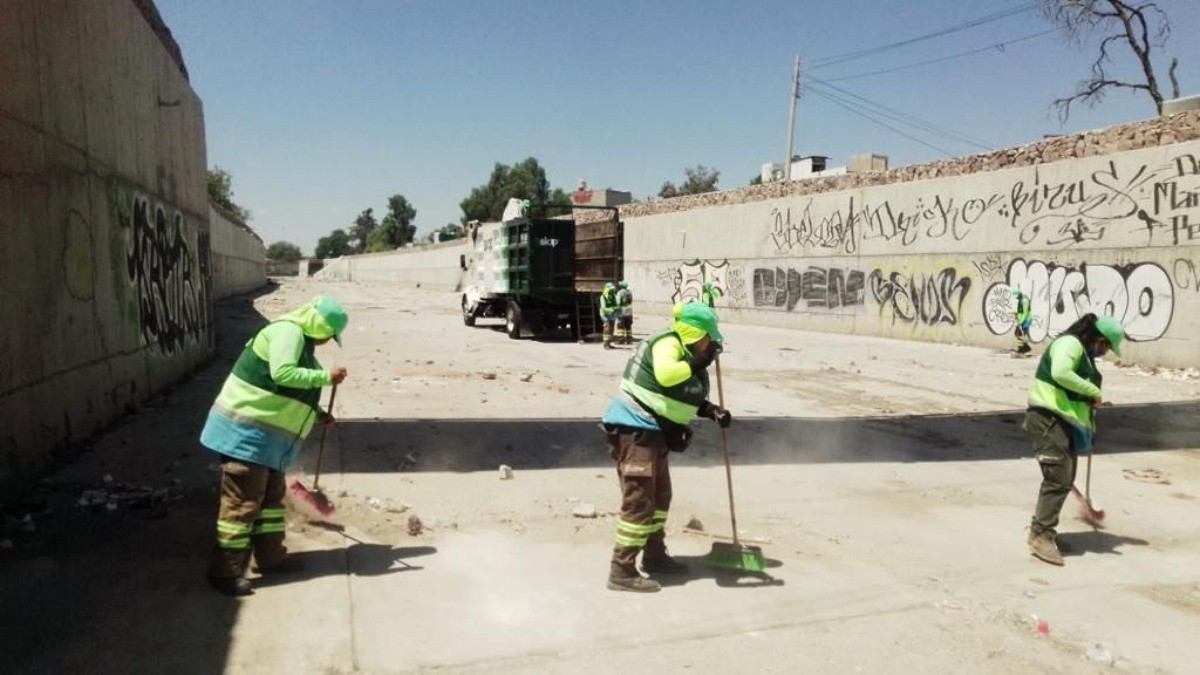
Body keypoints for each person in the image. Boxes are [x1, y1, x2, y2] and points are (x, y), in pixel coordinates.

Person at [200, 295, 349, 596]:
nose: (326, 342)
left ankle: (271, 558)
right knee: (242, 505)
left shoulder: (300, 341)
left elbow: (281, 390)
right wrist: (325, 377)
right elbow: (284, 373)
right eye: (328, 335)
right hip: (245, 436)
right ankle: (225, 572)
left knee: (269, 502)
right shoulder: (288, 332)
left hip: (265, 444)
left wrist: (317, 414)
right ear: (318, 325)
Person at [600, 302, 732, 592]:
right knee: (639, 501)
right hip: (634, 431)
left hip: (653, 433)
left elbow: (682, 394)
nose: (711, 343)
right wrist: (699, 362)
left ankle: (655, 555)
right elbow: (666, 376)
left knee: (660, 498)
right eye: (708, 337)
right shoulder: (667, 345)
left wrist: (711, 411)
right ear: (694, 333)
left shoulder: (690, 357)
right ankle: (621, 569)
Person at [1024, 313, 1124, 566]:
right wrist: (1093, 391)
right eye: (1106, 346)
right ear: (1099, 339)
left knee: (1065, 479)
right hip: (1048, 419)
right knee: (1057, 479)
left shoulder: (1085, 356)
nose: (1105, 352)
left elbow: (1074, 393)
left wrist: (1090, 421)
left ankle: (1045, 531)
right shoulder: (1070, 344)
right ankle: (1040, 536)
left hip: (1063, 421)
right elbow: (1060, 372)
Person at [1012, 289, 1033, 356]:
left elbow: (1025, 313)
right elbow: (1020, 311)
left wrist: (1021, 322)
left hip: (1026, 320)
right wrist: (1016, 315)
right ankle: (1022, 349)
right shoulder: (1020, 300)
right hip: (1021, 320)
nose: (1016, 298)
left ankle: (1025, 349)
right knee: (1018, 334)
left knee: (1022, 335)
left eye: (1016, 297)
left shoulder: (1024, 301)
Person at [599, 282, 619, 349]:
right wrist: (611, 309)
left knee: (611, 329)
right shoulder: (603, 297)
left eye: (612, 289)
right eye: (610, 289)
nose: (612, 290)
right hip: (605, 315)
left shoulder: (613, 296)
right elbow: (603, 307)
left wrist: (616, 308)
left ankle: (609, 343)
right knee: (607, 328)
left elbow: (616, 304)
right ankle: (605, 344)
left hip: (612, 315)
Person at [615, 280, 634, 345]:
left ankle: (621, 340)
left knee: (621, 325)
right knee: (628, 325)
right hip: (629, 309)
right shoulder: (629, 292)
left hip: (622, 310)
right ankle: (629, 339)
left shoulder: (620, 292)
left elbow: (618, 302)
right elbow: (631, 301)